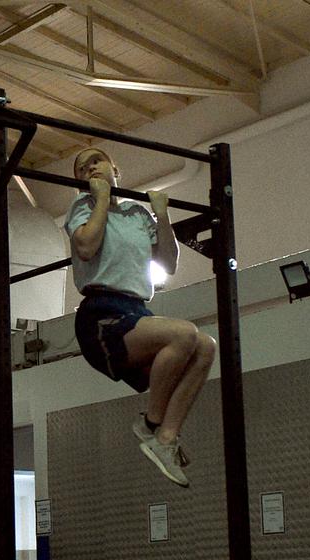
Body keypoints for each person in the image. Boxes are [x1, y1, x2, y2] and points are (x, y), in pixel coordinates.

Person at [64, 147, 216, 488]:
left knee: (205, 346)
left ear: (115, 167)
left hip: (136, 309)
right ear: (78, 182)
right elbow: (86, 247)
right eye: (82, 168)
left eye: (96, 161)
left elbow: (168, 263)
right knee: (184, 334)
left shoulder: (136, 213)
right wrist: (100, 199)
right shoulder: (81, 207)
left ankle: (165, 439)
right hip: (100, 313)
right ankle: (150, 425)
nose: (90, 167)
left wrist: (161, 216)